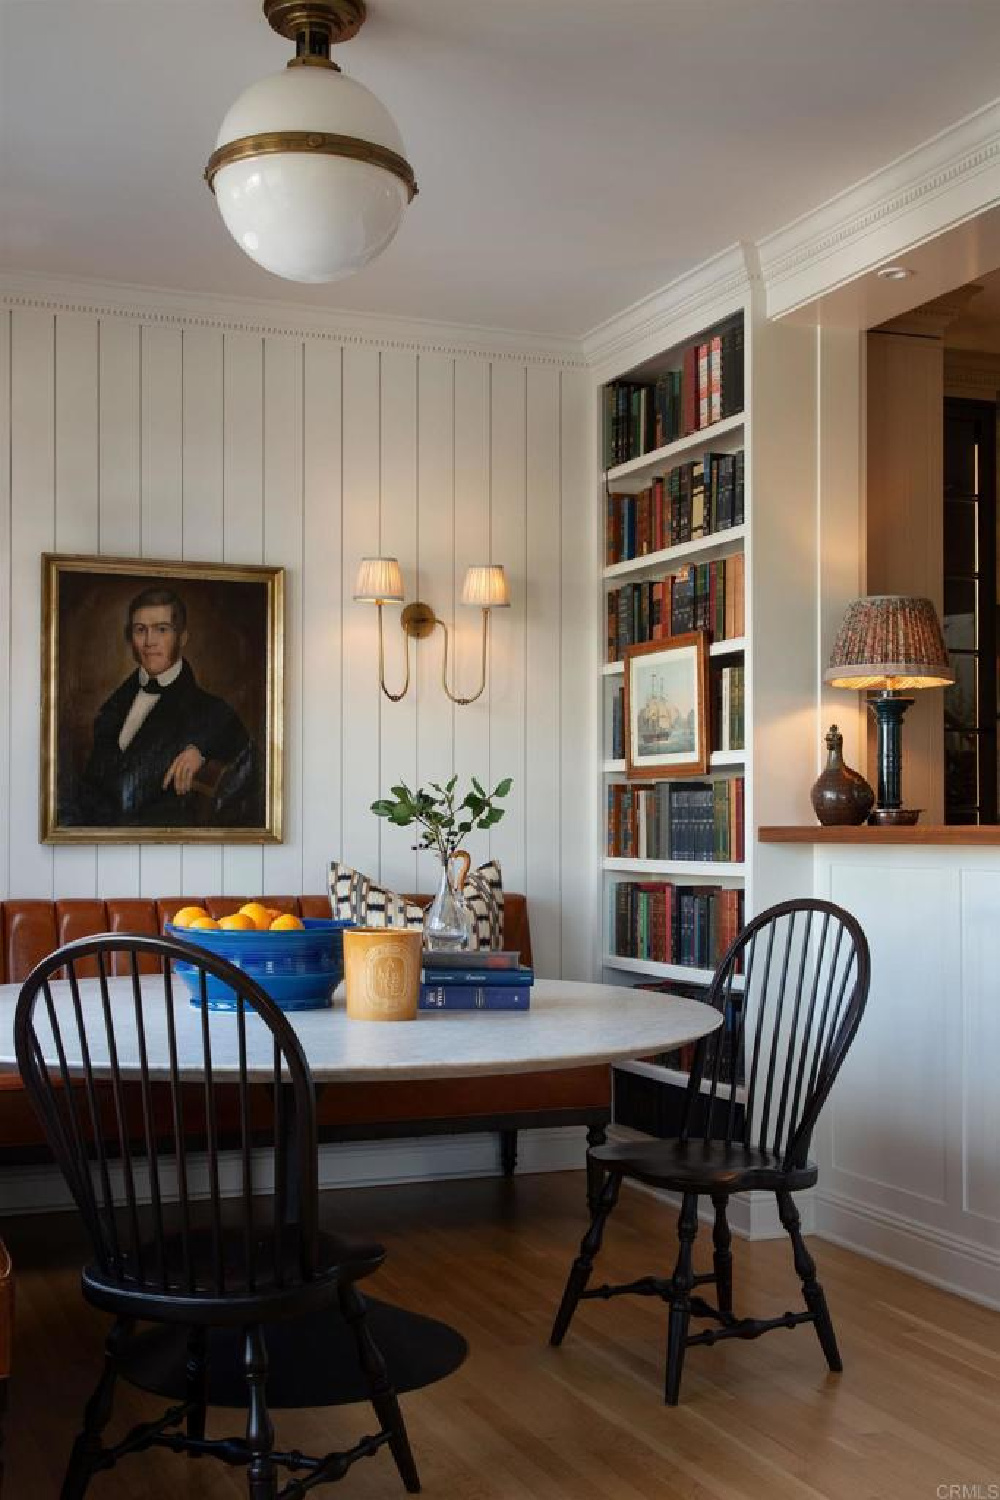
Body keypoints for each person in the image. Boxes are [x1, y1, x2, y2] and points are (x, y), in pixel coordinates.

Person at [66, 586, 257, 827]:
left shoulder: (212, 710)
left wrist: (203, 754)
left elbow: (248, 763)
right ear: (130, 638)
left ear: (182, 637)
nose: (149, 642)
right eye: (140, 630)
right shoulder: (113, 706)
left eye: (161, 629)